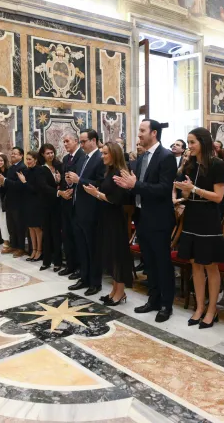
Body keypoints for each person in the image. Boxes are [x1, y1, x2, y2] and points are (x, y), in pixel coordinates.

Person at [116, 119, 176, 322]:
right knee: (149, 262)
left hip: (159, 219)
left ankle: (166, 305)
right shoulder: (142, 158)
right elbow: (138, 186)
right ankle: (153, 299)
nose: (139, 134)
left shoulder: (166, 157)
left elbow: (164, 189)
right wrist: (128, 186)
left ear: (154, 133)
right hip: (142, 217)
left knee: (162, 263)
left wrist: (136, 185)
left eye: (142, 130)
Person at [174, 128, 224, 329]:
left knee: (210, 266)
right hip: (193, 217)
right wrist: (183, 195)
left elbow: (218, 196)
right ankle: (199, 307)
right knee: (195, 265)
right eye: (188, 142)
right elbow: (189, 195)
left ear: (203, 143)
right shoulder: (190, 164)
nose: (189, 146)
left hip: (209, 219)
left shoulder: (216, 164)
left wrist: (194, 189)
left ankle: (212, 309)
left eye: (192, 142)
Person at [83, 142, 132, 306]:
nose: (102, 156)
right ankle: (114, 290)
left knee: (117, 256)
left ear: (114, 154)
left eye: (105, 153)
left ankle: (120, 292)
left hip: (115, 219)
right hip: (105, 217)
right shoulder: (109, 171)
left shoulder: (120, 172)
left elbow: (116, 199)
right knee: (111, 256)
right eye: (102, 153)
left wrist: (96, 194)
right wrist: (96, 190)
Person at [67, 129, 105, 296]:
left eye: (83, 142)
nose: (81, 145)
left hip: (91, 211)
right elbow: (78, 181)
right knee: (81, 247)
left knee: (92, 249)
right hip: (78, 208)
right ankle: (84, 277)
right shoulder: (83, 158)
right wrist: (71, 182)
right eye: (80, 142)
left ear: (94, 140)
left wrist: (79, 180)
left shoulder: (100, 158)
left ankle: (95, 282)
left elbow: (99, 183)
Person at [58, 134, 86, 277]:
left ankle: (80, 268)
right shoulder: (65, 158)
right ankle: (70, 265)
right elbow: (65, 178)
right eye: (64, 142)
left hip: (78, 201)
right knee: (67, 235)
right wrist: (63, 189)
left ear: (76, 141)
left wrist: (72, 186)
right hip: (66, 201)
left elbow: (81, 178)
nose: (65, 144)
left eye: (67, 141)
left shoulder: (82, 156)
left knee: (77, 237)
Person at [36, 144, 63, 271]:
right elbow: (43, 186)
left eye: (52, 152)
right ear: (42, 154)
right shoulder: (41, 169)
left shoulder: (58, 166)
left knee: (56, 234)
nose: (50, 155)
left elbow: (60, 183)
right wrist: (57, 191)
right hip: (45, 206)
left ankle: (57, 261)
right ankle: (46, 261)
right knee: (47, 234)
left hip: (57, 206)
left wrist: (59, 182)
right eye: (48, 153)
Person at [0, 147, 27, 257]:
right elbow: (8, 184)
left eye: (15, 154)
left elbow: (20, 185)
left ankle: (21, 248)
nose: (13, 155)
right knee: (11, 225)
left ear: (21, 155)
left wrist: (5, 181)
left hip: (18, 202)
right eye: (12, 153)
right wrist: (0, 184)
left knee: (19, 226)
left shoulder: (22, 168)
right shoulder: (11, 168)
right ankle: (13, 245)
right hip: (9, 201)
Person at [17, 151, 44, 262]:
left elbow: (36, 189)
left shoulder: (39, 171)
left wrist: (24, 182)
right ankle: (33, 249)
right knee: (30, 227)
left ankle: (39, 250)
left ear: (35, 160)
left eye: (30, 159)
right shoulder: (26, 171)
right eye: (27, 159)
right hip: (27, 202)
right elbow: (23, 188)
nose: (28, 161)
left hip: (36, 203)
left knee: (37, 227)